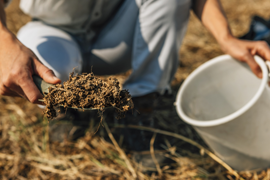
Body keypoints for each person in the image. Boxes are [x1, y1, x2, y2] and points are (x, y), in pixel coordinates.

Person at [1, 0, 270, 165]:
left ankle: (140, 106)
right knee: (46, 71)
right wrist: (4, 43)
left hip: (117, 38)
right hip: (53, 32)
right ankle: (64, 111)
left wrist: (226, 38)